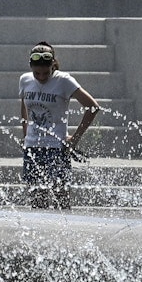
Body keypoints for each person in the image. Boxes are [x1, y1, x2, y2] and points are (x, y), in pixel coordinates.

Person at [19, 41, 100, 210]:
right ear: (30, 67)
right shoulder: (25, 80)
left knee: (60, 199)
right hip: (33, 148)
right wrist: (25, 135)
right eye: (37, 73)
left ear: (53, 66)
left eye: (45, 73)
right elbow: (24, 106)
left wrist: (74, 139)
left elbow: (92, 107)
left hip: (57, 148)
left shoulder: (64, 81)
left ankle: (64, 233)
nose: (41, 77)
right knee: (37, 201)